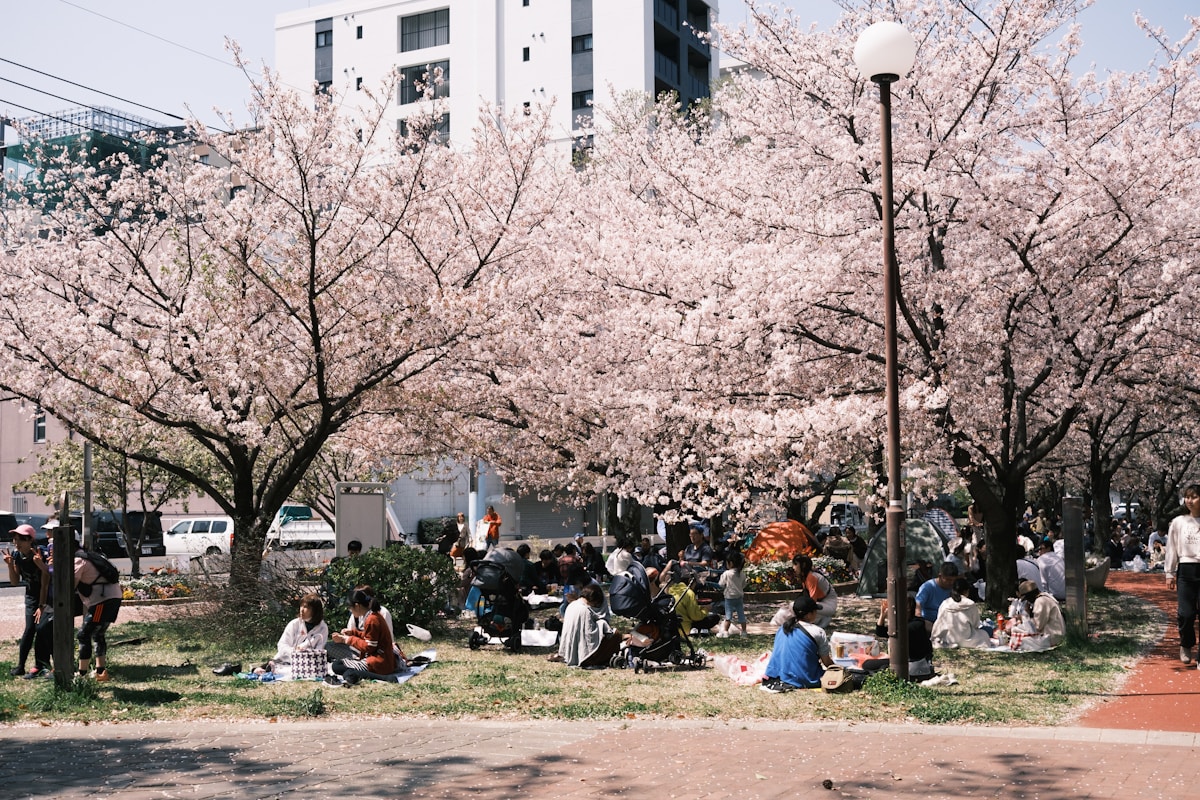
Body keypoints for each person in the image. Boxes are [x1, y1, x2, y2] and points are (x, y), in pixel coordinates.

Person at [762, 596, 834, 691]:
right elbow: (827, 662)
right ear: (808, 615)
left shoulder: (783, 628)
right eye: (815, 611)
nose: (817, 613)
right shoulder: (817, 631)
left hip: (779, 676)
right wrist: (839, 669)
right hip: (805, 679)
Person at [74, 539, 122, 681]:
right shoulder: (90, 556)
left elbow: (69, 583)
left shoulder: (78, 560)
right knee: (98, 634)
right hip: (112, 598)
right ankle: (101, 672)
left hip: (102, 602)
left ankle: (82, 674)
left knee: (84, 634)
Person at [4, 524, 47, 677]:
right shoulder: (17, 555)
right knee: (30, 629)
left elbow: (45, 582)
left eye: (21, 539)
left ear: (30, 540)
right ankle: (20, 666)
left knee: (42, 630)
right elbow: (15, 582)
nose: (17, 543)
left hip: (45, 595)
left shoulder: (40, 554)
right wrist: (10, 565)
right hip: (31, 596)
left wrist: (42, 605)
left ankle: (42, 665)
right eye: (15, 539)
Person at [330, 589, 400, 683]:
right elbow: (370, 637)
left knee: (337, 666)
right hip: (384, 659)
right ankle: (353, 673)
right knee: (342, 667)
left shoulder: (371, 620)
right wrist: (353, 633)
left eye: (350, 608)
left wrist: (347, 640)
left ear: (357, 606)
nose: (350, 611)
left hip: (379, 662)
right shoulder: (374, 616)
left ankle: (383, 678)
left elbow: (369, 647)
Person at [1166, 484, 1200, 665]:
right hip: (1186, 570)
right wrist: (1169, 572)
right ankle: (1186, 644)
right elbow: (1171, 547)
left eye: (1194, 497)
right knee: (1186, 614)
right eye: (1187, 497)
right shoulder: (1178, 522)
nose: (1190, 501)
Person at [552, 583, 622, 667]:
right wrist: (602, 625)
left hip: (568, 652)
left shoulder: (571, 605)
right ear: (593, 599)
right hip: (585, 657)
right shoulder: (585, 610)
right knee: (616, 635)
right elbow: (590, 637)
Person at [257, 594, 328, 674]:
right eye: (301, 606)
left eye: (306, 607)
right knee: (276, 668)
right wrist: (294, 652)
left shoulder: (323, 628)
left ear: (315, 611)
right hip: (286, 660)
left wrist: (305, 653)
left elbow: (319, 650)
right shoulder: (294, 624)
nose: (302, 610)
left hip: (309, 663)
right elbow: (282, 645)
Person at [870, 594, 934, 679]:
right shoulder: (903, 624)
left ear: (908, 607)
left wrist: (891, 618)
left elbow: (895, 633)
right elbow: (880, 632)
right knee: (868, 664)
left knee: (878, 667)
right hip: (903, 662)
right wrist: (883, 615)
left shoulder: (917, 624)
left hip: (914, 666)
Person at [778, 554, 837, 630]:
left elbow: (811, 602)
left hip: (828, 604)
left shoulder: (811, 577)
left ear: (803, 565)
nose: (793, 568)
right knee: (790, 608)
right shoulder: (805, 577)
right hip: (821, 603)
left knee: (795, 607)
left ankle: (823, 620)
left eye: (795, 564)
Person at [930, 578, 991, 649]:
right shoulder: (970, 604)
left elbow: (940, 620)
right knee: (986, 632)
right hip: (966, 639)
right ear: (966, 591)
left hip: (948, 639)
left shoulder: (945, 603)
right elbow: (976, 624)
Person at [663, 562, 721, 636]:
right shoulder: (689, 593)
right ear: (690, 581)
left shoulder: (670, 590)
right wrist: (706, 609)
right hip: (684, 628)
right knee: (715, 617)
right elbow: (695, 616)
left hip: (670, 628)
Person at [1014, 580, 1065, 651]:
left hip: (1052, 637)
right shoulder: (1046, 597)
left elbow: (1038, 627)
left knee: (1022, 640)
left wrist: (1027, 614)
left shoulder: (1040, 601)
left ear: (1029, 596)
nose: (1028, 601)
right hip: (1055, 635)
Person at [717, 551, 747, 637]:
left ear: (730, 563)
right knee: (741, 615)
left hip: (729, 598)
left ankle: (725, 632)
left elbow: (721, 584)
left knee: (728, 616)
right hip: (739, 597)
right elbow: (744, 584)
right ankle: (744, 632)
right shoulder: (742, 574)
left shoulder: (726, 573)